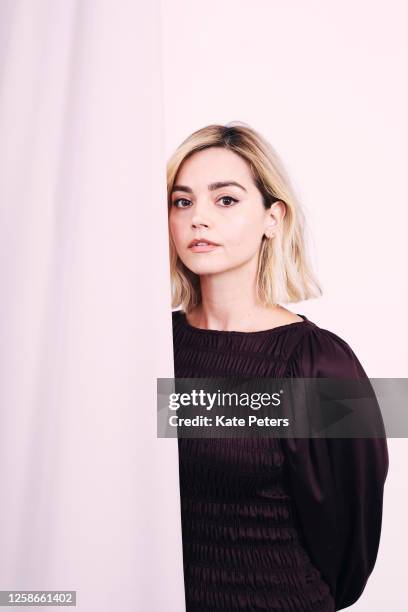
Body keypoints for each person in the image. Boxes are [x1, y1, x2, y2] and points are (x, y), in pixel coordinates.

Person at [168, 122, 388, 611]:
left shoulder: (323, 363)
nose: (198, 218)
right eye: (182, 202)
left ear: (273, 217)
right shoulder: (146, 348)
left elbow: (352, 539)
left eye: (225, 200)